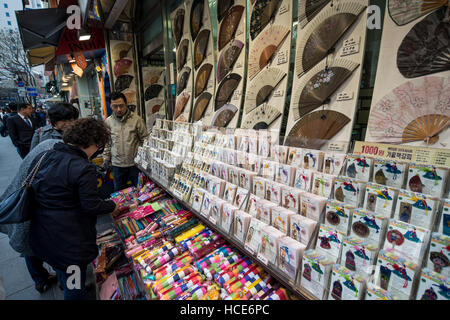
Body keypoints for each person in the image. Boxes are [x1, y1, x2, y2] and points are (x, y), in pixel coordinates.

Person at [29, 118, 120, 300]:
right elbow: (91, 205)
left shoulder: (45, 156)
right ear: (92, 142)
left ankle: (68, 286)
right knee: (74, 285)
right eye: (99, 145)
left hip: (43, 233)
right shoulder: (82, 167)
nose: (99, 150)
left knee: (64, 272)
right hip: (68, 242)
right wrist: (113, 205)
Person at [102, 92, 148, 191]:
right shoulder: (108, 122)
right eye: (115, 106)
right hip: (117, 166)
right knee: (119, 193)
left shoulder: (137, 120)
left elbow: (145, 140)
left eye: (121, 106)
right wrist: (106, 158)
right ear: (110, 105)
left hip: (135, 165)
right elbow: (107, 143)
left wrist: (144, 159)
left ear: (126, 104)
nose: (118, 109)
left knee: (141, 191)